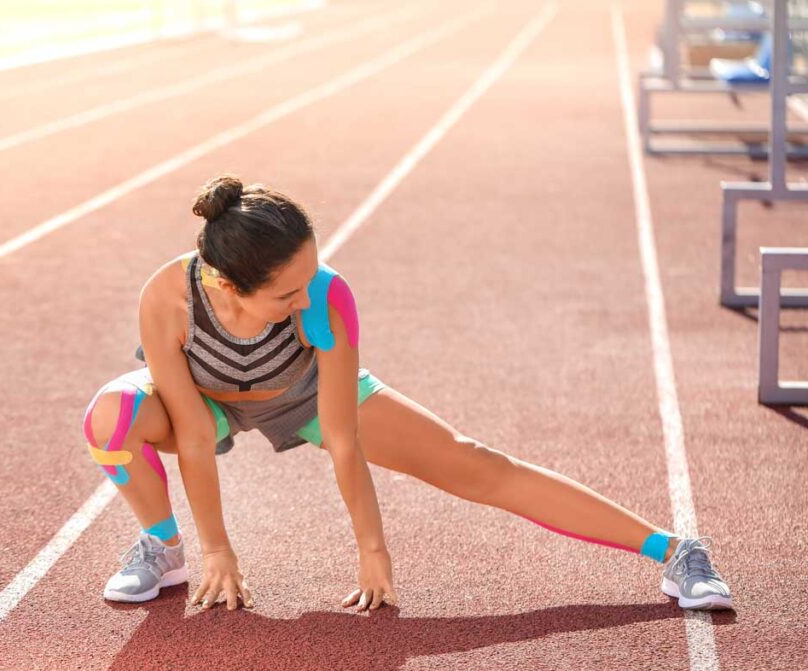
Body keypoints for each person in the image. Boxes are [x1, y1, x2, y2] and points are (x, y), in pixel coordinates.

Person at [81, 175, 734, 613]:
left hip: (302, 393)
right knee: (111, 417)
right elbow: (193, 435)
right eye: (287, 292)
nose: (308, 295)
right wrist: (216, 549)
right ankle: (163, 549)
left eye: (312, 273)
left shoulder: (324, 298)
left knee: (474, 461)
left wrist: (372, 548)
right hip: (208, 401)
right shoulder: (168, 298)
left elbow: (341, 437)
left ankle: (677, 550)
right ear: (226, 285)